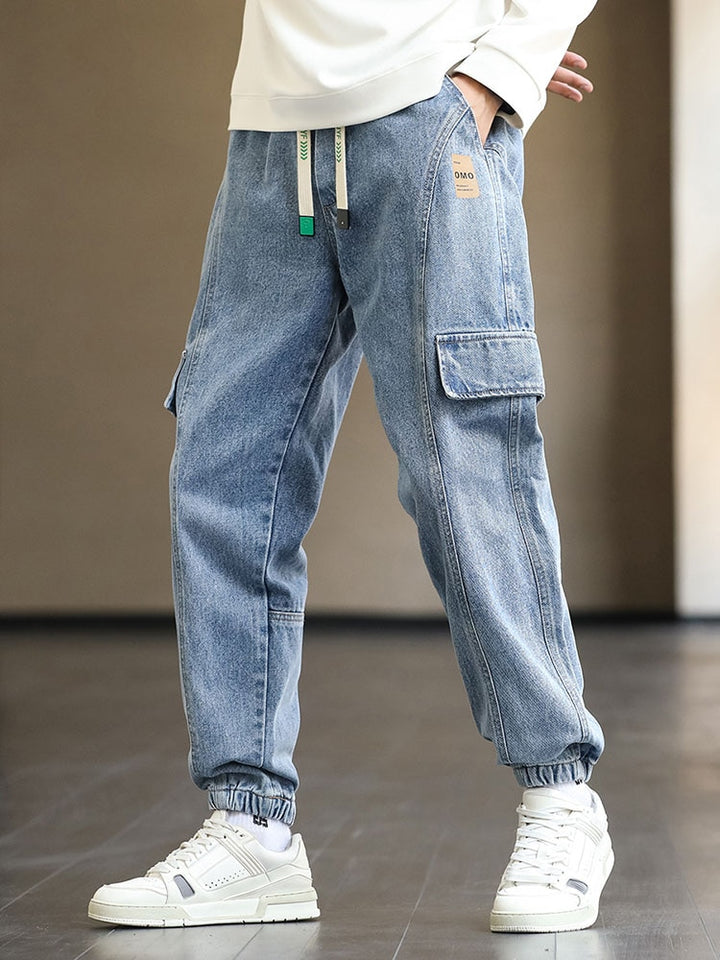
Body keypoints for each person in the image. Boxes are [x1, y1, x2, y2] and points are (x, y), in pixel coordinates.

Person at [88, 0, 613, 934]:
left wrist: (504, 65)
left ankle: (562, 798)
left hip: (428, 115)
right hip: (271, 135)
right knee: (225, 474)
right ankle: (252, 829)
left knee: (463, 469)